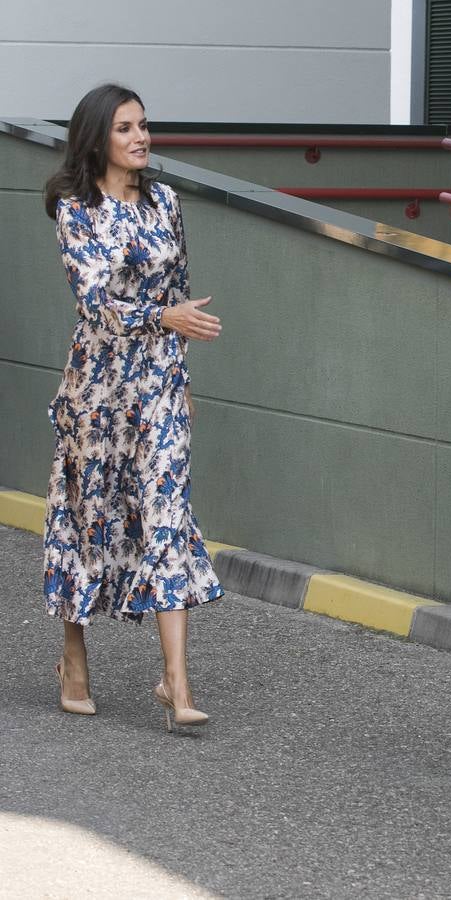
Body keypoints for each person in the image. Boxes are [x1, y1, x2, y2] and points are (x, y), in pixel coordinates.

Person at [42, 84, 224, 731]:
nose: (142, 136)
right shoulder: (76, 207)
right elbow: (94, 302)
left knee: (166, 517)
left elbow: (179, 294)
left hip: (159, 386)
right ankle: (73, 654)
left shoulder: (165, 201)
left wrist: (183, 378)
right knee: (90, 521)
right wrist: (161, 315)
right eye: (126, 128)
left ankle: (175, 684)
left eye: (144, 125)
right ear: (98, 139)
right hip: (97, 391)